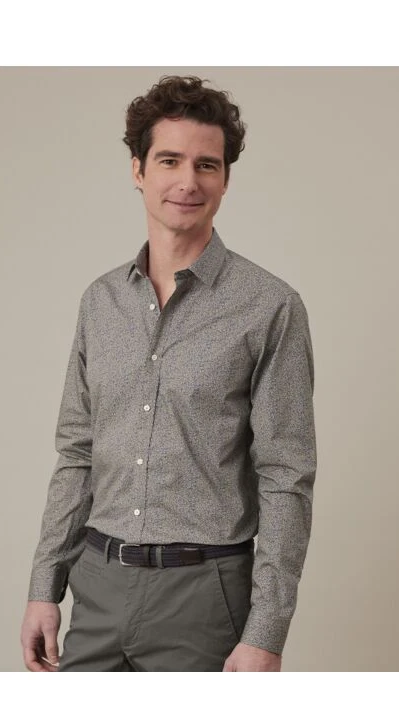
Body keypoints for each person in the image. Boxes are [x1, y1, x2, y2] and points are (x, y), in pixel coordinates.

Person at [20, 75, 316, 672]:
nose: (188, 181)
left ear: (226, 180)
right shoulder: (100, 302)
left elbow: (286, 477)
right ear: (138, 169)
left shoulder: (269, 306)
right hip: (97, 588)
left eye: (207, 165)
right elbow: (76, 453)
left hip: (205, 598)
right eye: (169, 160)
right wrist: (44, 587)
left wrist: (266, 633)